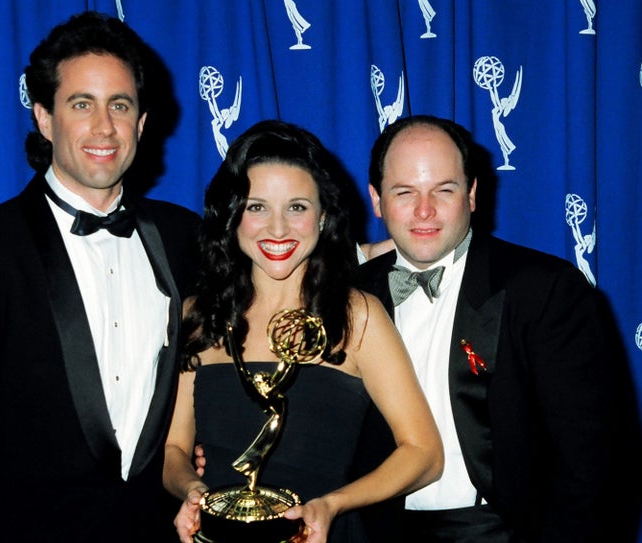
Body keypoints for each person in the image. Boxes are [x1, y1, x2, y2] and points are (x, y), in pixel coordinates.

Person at [0, 11, 200, 542]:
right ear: (44, 118)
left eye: (120, 105)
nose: (104, 127)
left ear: (142, 123)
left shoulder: (185, 239)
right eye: (81, 104)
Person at [353, 114, 642, 541]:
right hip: (374, 532)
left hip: (504, 532)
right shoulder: (347, 293)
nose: (424, 210)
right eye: (404, 192)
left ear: (472, 194)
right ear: (377, 199)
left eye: (443, 190)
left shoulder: (544, 290)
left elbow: (593, 460)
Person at [162, 119, 443, 543]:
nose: (278, 229)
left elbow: (424, 454)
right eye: (257, 207)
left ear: (323, 215)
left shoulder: (358, 316)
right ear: (232, 215)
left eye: (297, 207)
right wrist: (192, 493)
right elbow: (173, 451)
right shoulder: (198, 315)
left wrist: (333, 504)